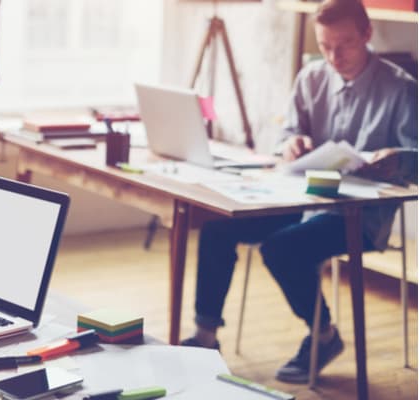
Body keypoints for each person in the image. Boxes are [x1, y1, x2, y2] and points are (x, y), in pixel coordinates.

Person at [179, 0, 417, 384]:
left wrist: (400, 158)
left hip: (359, 215)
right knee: (216, 227)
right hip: (299, 198)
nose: (334, 57)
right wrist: (291, 143)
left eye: (345, 45)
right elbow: (286, 134)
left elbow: (418, 159)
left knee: (282, 248)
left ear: (368, 35)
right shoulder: (311, 77)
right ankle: (206, 337)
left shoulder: (402, 89)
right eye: (325, 46)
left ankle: (324, 336)